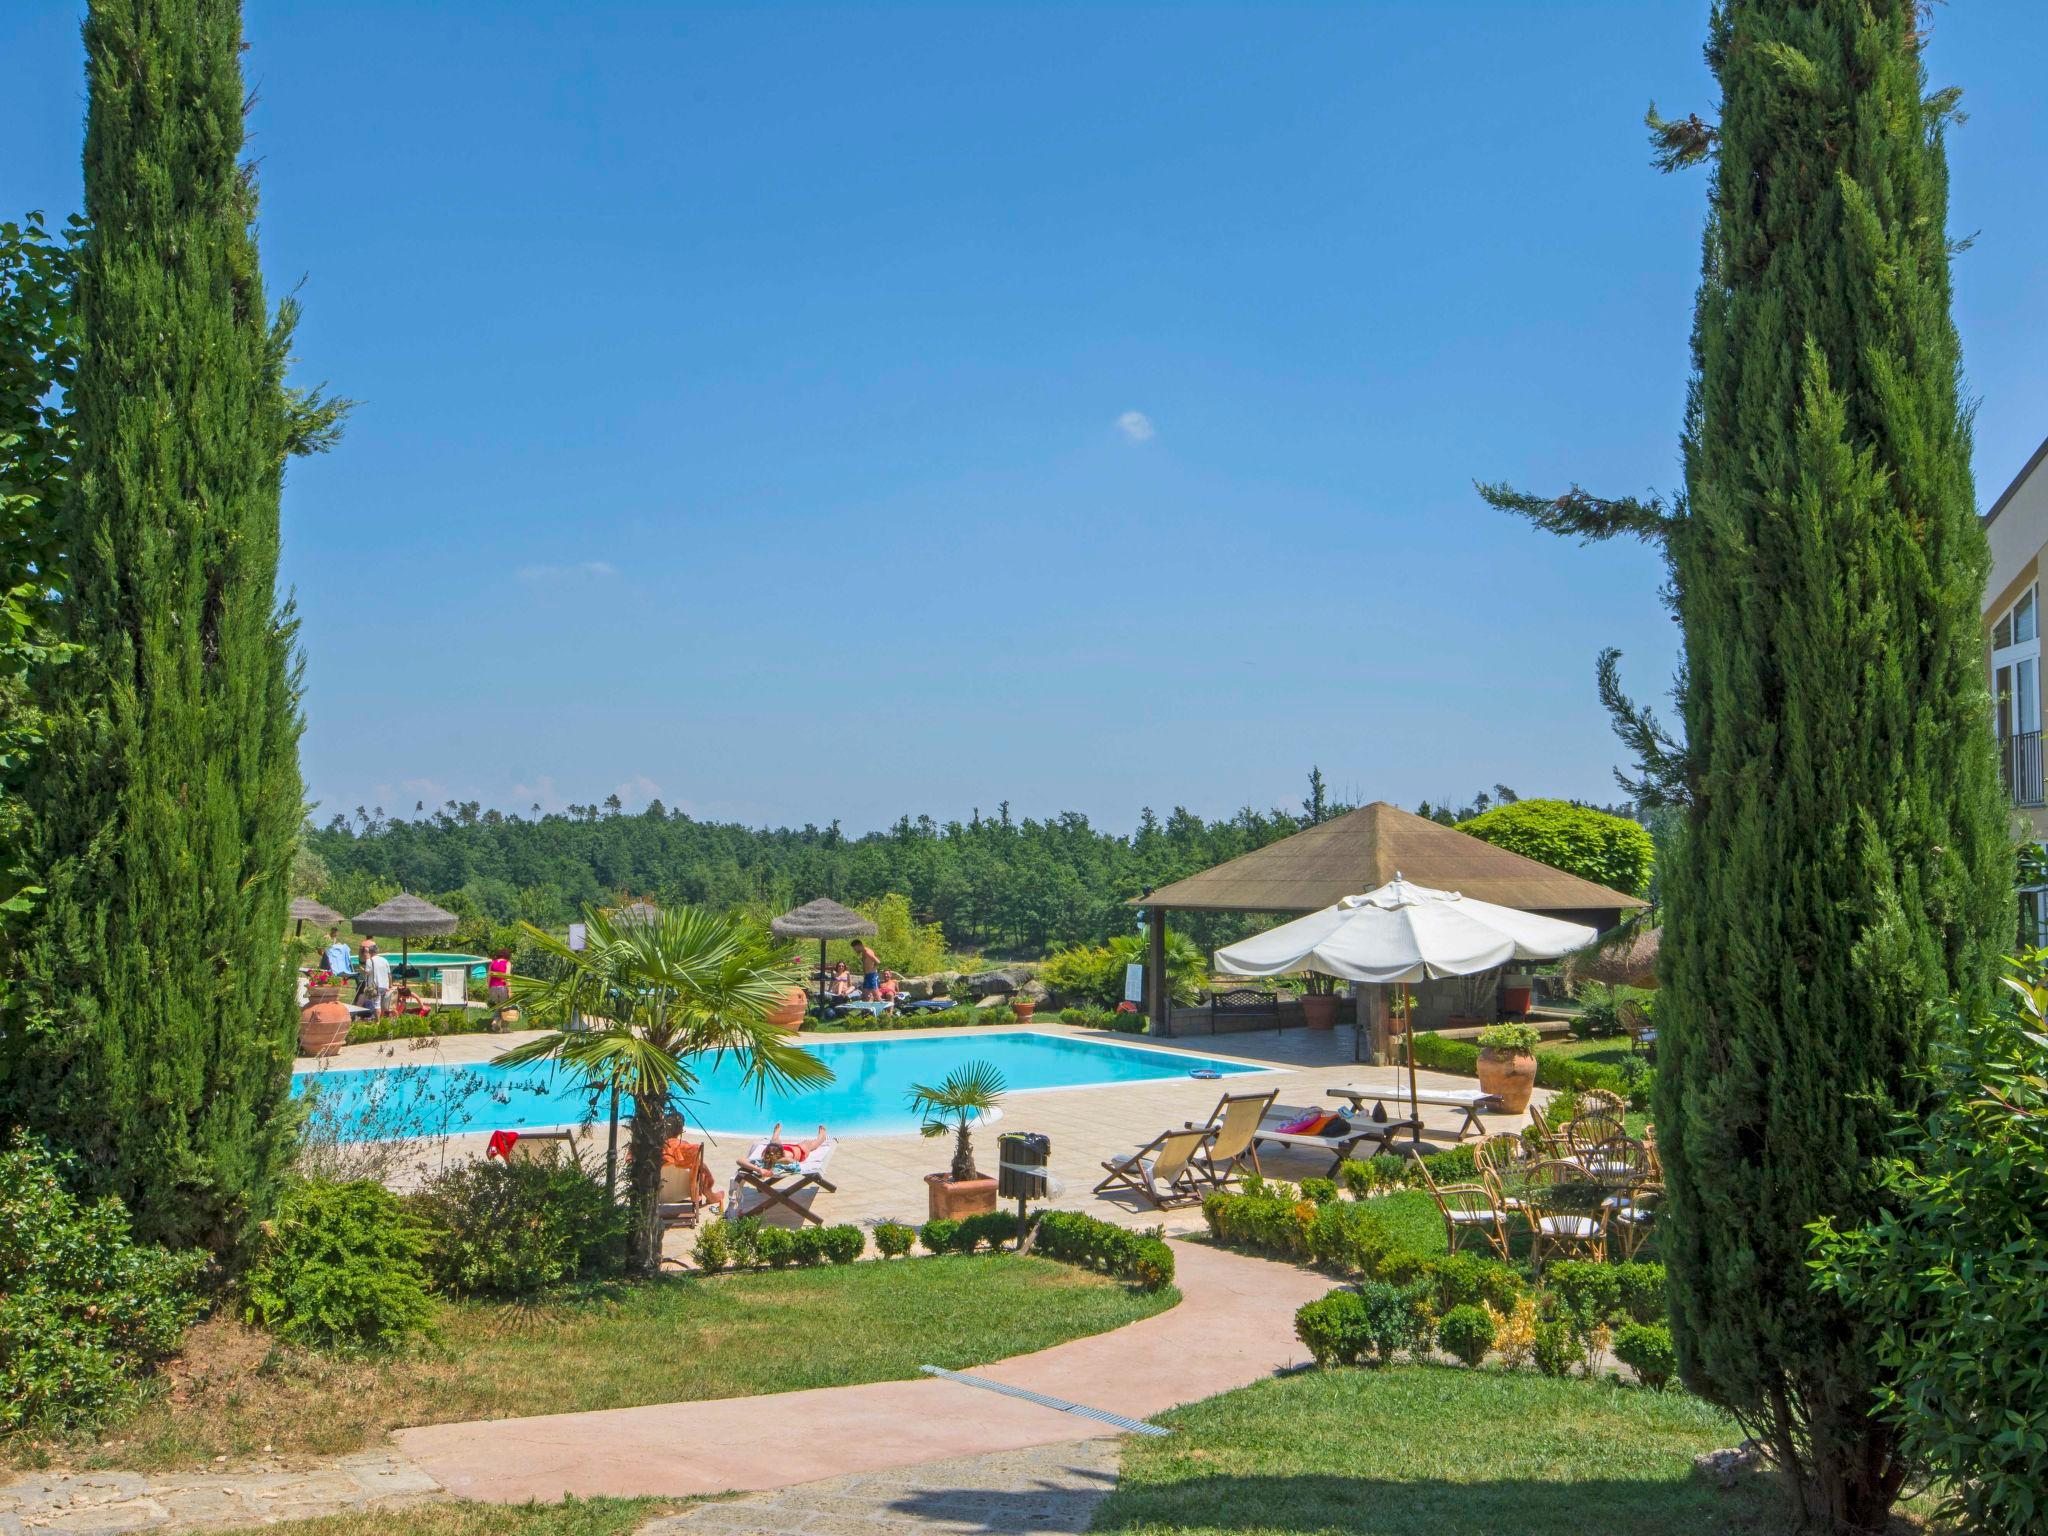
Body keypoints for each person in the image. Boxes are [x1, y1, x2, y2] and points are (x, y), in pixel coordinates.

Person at [358, 940, 392, 1019]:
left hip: (375, 986)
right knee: (382, 1004)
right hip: (385, 985)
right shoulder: (385, 960)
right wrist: (390, 985)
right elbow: (389, 974)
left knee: (377, 1004)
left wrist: (362, 969)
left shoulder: (370, 960)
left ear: (370, 951)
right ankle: (382, 1019)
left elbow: (368, 973)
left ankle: (377, 1021)